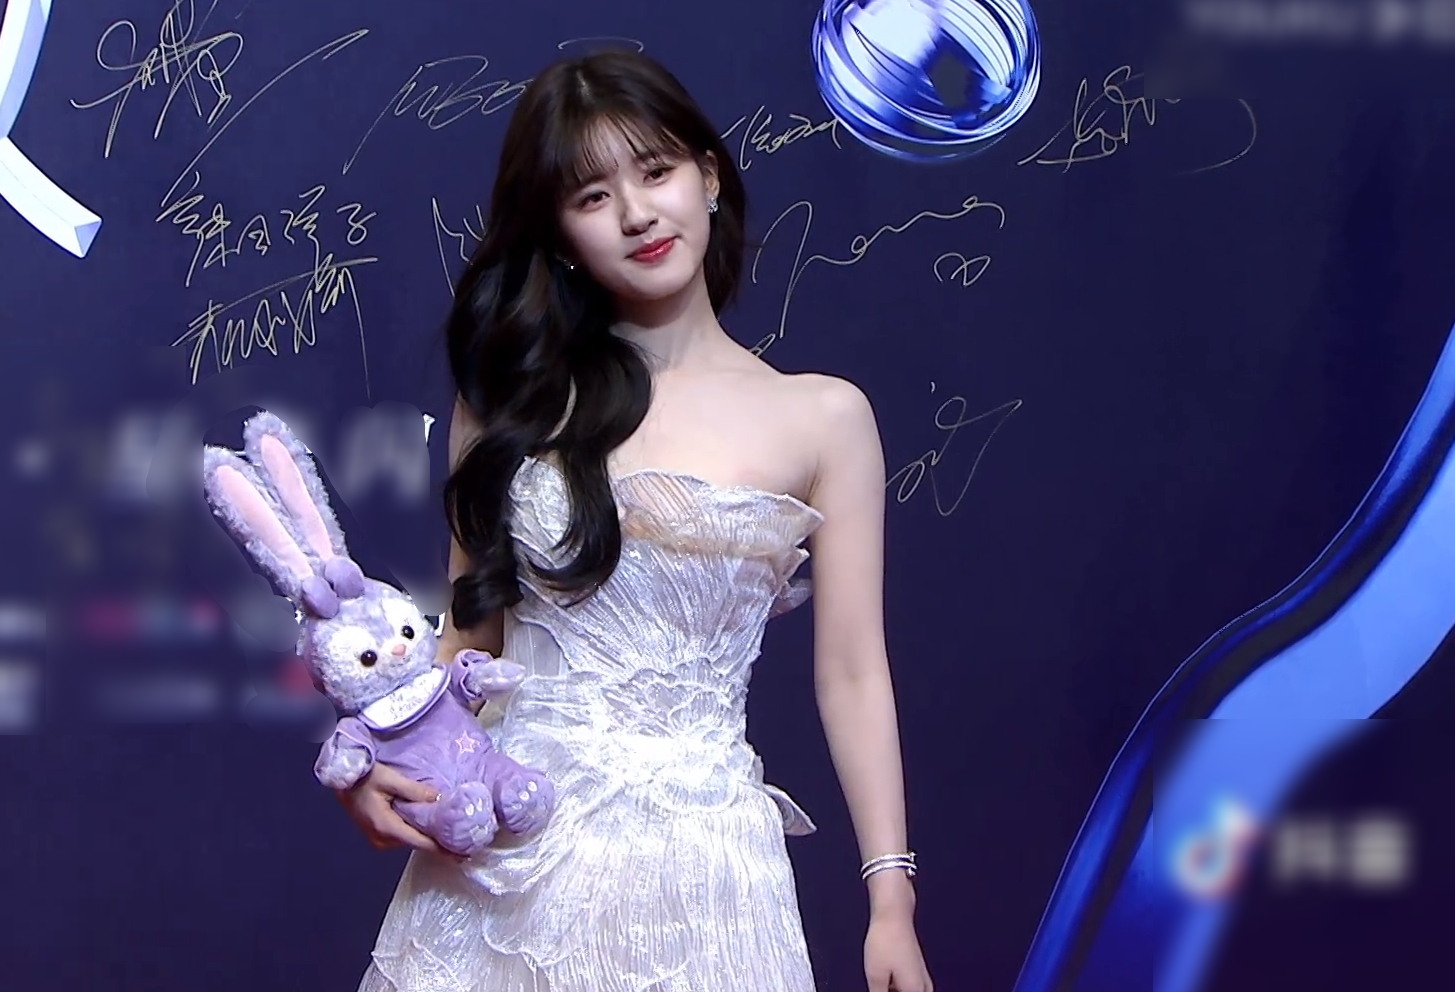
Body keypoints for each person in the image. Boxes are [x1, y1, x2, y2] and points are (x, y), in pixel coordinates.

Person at [336, 48, 933, 992]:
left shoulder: (823, 417)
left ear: (708, 176)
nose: (637, 214)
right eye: (592, 195)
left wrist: (889, 900)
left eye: (655, 171)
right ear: (562, 235)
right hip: (502, 874)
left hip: (706, 878)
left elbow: (854, 674)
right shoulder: (507, 402)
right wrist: (383, 759)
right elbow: (471, 637)